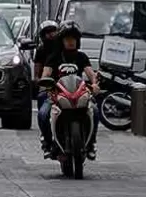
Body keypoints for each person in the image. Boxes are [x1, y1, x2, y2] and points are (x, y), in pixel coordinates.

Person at [38, 21, 101, 160]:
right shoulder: (53, 57)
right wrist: (47, 85)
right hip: (57, 96)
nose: (71, 42)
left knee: (95, 111)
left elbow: (91, 74)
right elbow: (45, 75)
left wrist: (95, 84)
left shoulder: (81, 57)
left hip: (79, 96)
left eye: (73, 39)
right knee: (43, 114)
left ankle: (91, 144)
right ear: (62, 41)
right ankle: (48, 144)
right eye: (67, 39)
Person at [31, 20, 60, 155]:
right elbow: (38, 74)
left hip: (69, 88)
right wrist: (40, 81)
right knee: (43, 114)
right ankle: (47, 139)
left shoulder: (69, 51)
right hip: (50, 89)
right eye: (48, 33)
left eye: (53, 31)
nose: (51, 35)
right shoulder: (42, 51)